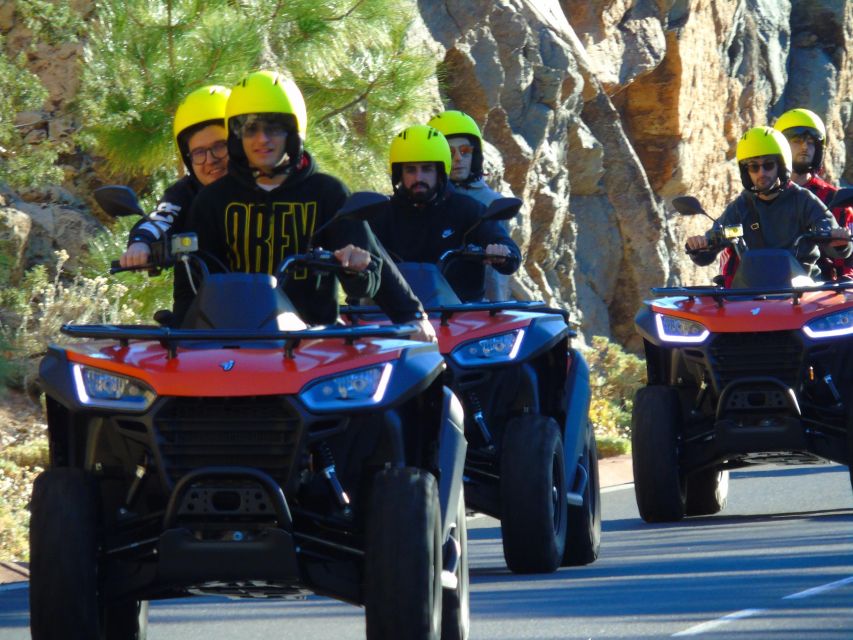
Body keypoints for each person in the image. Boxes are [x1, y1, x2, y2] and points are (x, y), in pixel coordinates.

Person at [180, 70, 434, 340]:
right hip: (232, 344)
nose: (262, 139)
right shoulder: (212, 200)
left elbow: (374, 270)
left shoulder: (327, 192)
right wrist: (179, 337)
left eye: (274, 128)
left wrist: (411, 315)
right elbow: (190, 283)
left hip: (314, 345)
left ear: (293, 133)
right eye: (250, 129)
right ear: (237, 137)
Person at [367, 124, 521, 302]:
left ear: (440, 172)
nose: (418, 178)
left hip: (459, 318)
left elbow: (510, 252)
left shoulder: (467, 209)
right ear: (398, 174)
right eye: (410, 170)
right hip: (389, 317)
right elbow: (350, 248)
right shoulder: (382, 214)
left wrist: (502, 253)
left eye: (427, 169)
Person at [686, 126, 850, 284]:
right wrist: (701, 245)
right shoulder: (740, 206)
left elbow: (831, 238)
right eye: (754, 167)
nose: (761, 173)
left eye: (768, 165)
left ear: (781, 166)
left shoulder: (804, 200)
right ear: (746, 172)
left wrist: (838, 240)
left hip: (802, 294)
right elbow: (715, 238)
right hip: (753, 294)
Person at [120, 85, 231, 268]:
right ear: (188, 158)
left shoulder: (261, 186)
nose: (210, 159)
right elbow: (161, 218)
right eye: (199, 152)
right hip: (201, 293)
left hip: (268, 292)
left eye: (220, 146)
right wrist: (141, 242)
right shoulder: (184, 193)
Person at [427, 109, 515, 301]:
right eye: (450, 152)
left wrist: (496, 311)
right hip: (424, 299)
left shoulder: (490, 203)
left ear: (475, 156)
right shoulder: (422, 197)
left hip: (469, 309)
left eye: (465, 151)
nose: (459, 158)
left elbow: (495, 274)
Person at [774, 108, 853, 280]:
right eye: (797, 140)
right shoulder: (762, 198)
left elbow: (849, 266)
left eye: (811, 142)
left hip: (819, 299)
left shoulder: (834, 200)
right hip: (765, 293)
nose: (805, 147)